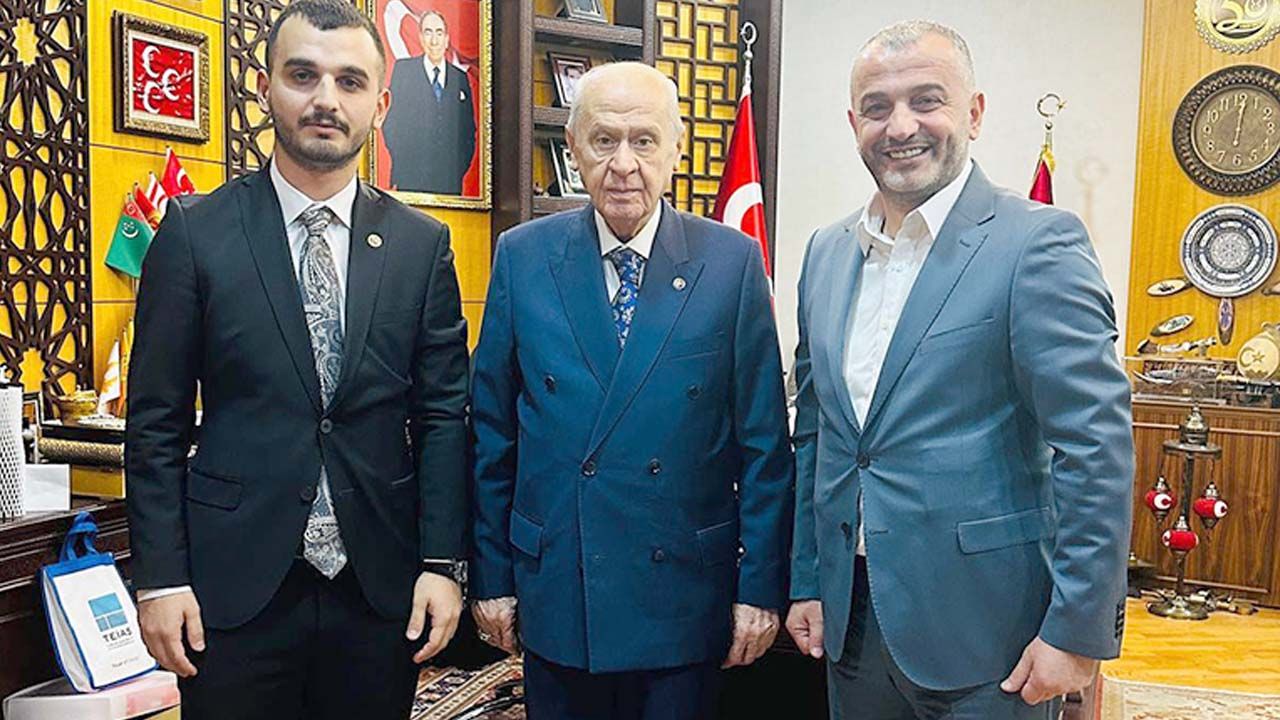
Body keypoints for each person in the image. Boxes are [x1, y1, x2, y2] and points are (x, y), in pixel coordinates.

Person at [125, 1, 470, 717]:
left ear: (381, 105)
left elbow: (442, 416)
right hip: (231, 591)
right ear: (266, 88)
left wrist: (443, 563)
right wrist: (159, 579)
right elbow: (155, 423)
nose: (325, 99)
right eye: (303, 75)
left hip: (378, 590)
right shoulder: (194, 233)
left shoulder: (421, 245)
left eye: (350, 81)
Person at [785, 20, 1134, 720]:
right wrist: (807, 579)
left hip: (992, 639)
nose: (900, 126)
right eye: (877, 107)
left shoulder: (1037, 244)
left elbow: (1094, 447)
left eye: (926, 100)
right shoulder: (826, 252)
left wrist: (1077, 629)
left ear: (973, 113)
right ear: (854, 125)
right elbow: (818, 435)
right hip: (853, 628)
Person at [469, 61, 794, 720]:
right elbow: (491, 432)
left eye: (644, 140)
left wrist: (759, 588)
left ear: (675, 149)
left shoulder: (731, 263)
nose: (623, 164)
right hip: (561, 586)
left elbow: (765, 446)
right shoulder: (523, 257)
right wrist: (493, 574)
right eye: (603, 140)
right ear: (573, 149)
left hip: (683, 595)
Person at [382, 10, 476, 195]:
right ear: (420, 37)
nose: (434, 40)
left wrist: (457, 170)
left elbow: (468, 131)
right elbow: (391, 123)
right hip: (410, 179)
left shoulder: (460, 78)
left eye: (439, 33)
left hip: (449, 182)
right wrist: (403, 163)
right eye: (428, 32)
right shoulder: (404, 71)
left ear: (447, 39)